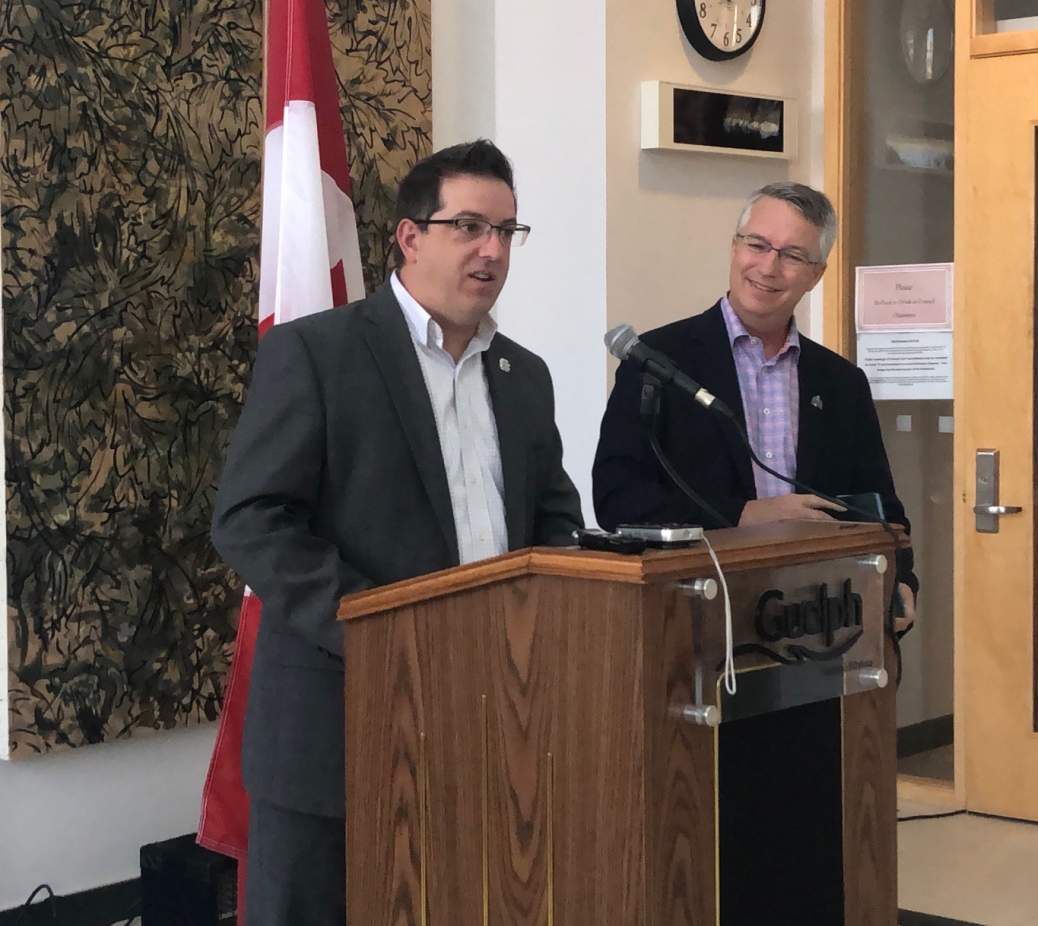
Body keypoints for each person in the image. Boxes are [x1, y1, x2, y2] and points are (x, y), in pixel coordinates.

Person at [211, 139, 583, 925]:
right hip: (338, 728)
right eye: (469, 227)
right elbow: (251, 519)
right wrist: (387, 632)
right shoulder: (316, 353)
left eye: (507, 231)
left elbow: (553, 516)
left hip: (486, 720)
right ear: (410, 237)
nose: (492, 250)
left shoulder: (524, 375)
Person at [592, 180, 918, 620]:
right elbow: (617, 499)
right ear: (734, 248)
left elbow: (880, 507)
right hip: (691, 614)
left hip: (814, 619)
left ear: (817, 273)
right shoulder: (658, 363)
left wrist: (901, 579)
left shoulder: (842, 383)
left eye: (792, 255)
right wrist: (743, 515)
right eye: (758, 245)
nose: (768, 267)